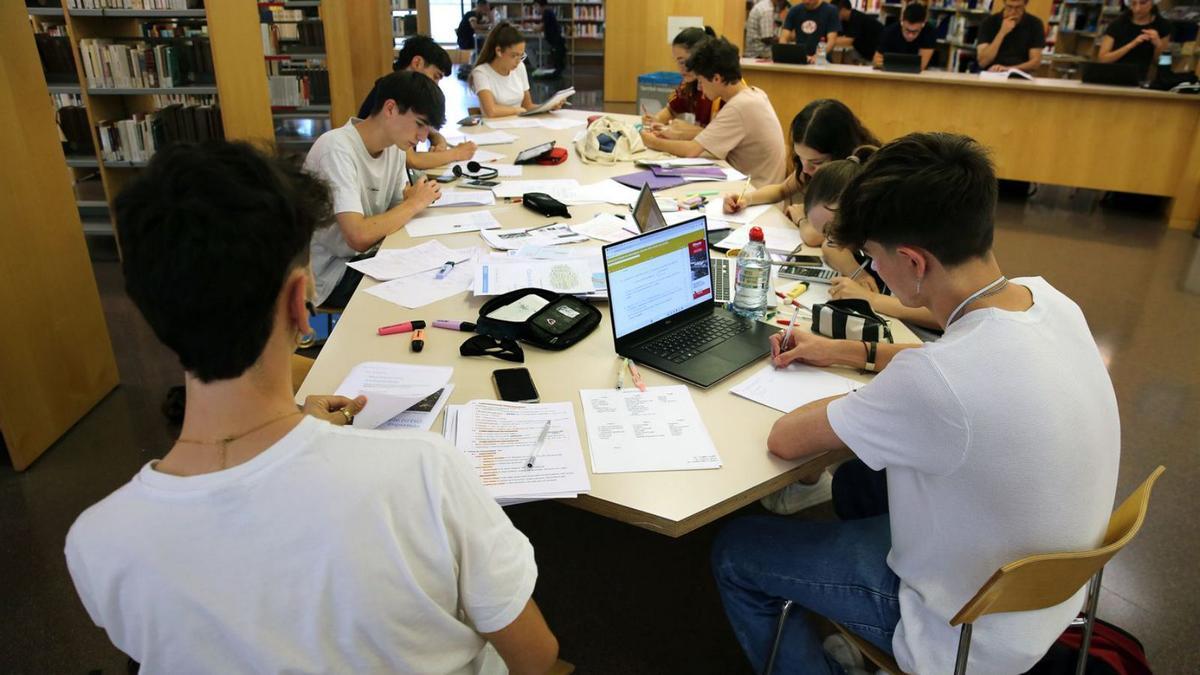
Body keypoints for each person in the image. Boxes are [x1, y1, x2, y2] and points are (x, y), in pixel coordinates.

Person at [65, 140, 560, 674]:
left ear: (149, 310)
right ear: (301, 303)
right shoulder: (423, 470)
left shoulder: (97, 543)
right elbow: (536, 657)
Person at [711, 132, 1119, 674]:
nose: (872, 272)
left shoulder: (938, 381)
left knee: (736, 550)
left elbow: (785, 440)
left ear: (912, 261)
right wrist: (843, 349)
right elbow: (951, 364)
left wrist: (866, 398)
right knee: (861, 480)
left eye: (874, 259)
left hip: (963, 635)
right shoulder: (1049, 299)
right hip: (1049, 599)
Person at [307, 70, 444, 309]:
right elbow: (358, 237)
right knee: (427, 286)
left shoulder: (394, 148)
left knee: (441, 268)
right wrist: (413, 204)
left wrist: (409, 203)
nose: (423, 138)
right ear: (390, 109)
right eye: (419, 125)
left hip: (369, 258)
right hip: (330, 275)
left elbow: (396, 211)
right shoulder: (336, 149)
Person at [801, 149, 940, 330]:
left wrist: (871, 299)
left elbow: (943, 315)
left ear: (856, 208)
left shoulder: (902, 242)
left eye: (832, 230)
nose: (833, 240)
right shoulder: (864, 238)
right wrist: (859, 274)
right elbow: (829, 247)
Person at [724, 98, 879, 248]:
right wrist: (746, 199)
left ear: (841, 152)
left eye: (816, 163)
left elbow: (816, 236)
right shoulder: (810, 166)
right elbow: (781, 189)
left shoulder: (858, 175)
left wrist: (801, 218)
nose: (805, 169)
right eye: (800, 158)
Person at [640, 37, 787, 187]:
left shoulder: (739, 107)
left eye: (702, 82)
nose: (701, 88)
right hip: (755, 184)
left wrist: (651, 141)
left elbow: (691, 150)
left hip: (754, 191)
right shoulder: (754, 94)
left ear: (717, 78)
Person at [356, 35, 478, 171]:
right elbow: (411, 160)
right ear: (417, 63)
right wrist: (457, 153)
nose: (436, 85)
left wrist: (436, 137)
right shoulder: (394, 92)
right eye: (436, 76)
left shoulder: (397, 87)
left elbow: (420, 125)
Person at [470, 22, 565, 118]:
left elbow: (527, 106)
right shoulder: (481, 72)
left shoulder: (520, 67)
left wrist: (548, 107)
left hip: (518, 125)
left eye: (521, 55)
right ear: (499, 51)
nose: (518, 61)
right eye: (514, 56)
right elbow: (491, 111)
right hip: (494, 129)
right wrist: (517, 110)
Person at [643, 26, 721, 141]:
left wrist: (687, 131)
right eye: (677, 62)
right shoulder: (690, 84)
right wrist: (656, 119)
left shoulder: (719, 87)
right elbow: (672, 109)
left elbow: (719, 137)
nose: (680, 69)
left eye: (683, 62)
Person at [1097, 0, 1172, 75]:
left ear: (1152, 3)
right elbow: (1103, 59)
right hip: (1111, 76)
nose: (1137, 9)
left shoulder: (1163, 26)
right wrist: (1132, 44)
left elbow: (1163, 64)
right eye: (1133, 3)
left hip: (1140, 79)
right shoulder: (1118, 24)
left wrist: (1158, 45)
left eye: (1143, 3)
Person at [977, 0, 1046, 72]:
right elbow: (983, 62)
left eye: (1018, 7)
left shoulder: (1035, 24)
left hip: (1021, 76)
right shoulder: (988, 22)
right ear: (1004, 3)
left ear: (1025, 4)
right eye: (1009, 7)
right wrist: (1002, 33)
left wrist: (1008, 69)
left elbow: (1035, 63)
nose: (1013, 11)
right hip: (991, 74)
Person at [873, 2, 936, 71]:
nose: (910, 35)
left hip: (918, 76)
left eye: (915, 32)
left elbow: (920, 66)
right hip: (891, 74)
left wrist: (891, 63)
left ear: (923, 24)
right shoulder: (889, 31)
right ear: (902, 22)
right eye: (907, 30)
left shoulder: (929, 32)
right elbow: (876, 61)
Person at [456, 0, 493, 79]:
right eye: (485, 9)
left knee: (484, 44)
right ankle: (478, 67)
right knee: (485, 45)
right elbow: (474, 26)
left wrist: (489, 15)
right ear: (480, 6)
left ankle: (476, 65)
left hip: (467, 40)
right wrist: (488, 26)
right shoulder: (472, 14)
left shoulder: (477, 15)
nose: (486, 11)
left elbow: (479, 28)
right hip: (464, 41)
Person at [530, 0, 566, 77]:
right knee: (535, 44)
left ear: (539, 5)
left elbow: (540, 28)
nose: (535, 9)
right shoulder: (549, 12)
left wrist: (532, 26)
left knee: (528, 46)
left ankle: (537, 66)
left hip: (551, 43)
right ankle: (541, 65)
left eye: (535, 6)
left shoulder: (547, 13)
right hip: (555, 42)